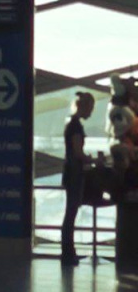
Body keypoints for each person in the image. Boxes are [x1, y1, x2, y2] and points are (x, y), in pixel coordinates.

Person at [61, 91, 95, 266]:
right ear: (84, 107)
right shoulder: (76, 126)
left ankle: (68, 252)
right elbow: (77, 153)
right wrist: (93, 159)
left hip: (70, 173)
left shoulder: (71, 124)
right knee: (71, 213)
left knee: (70, 213)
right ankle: (68, 253)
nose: (91, 112)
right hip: (75, 174)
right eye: (90, 108)